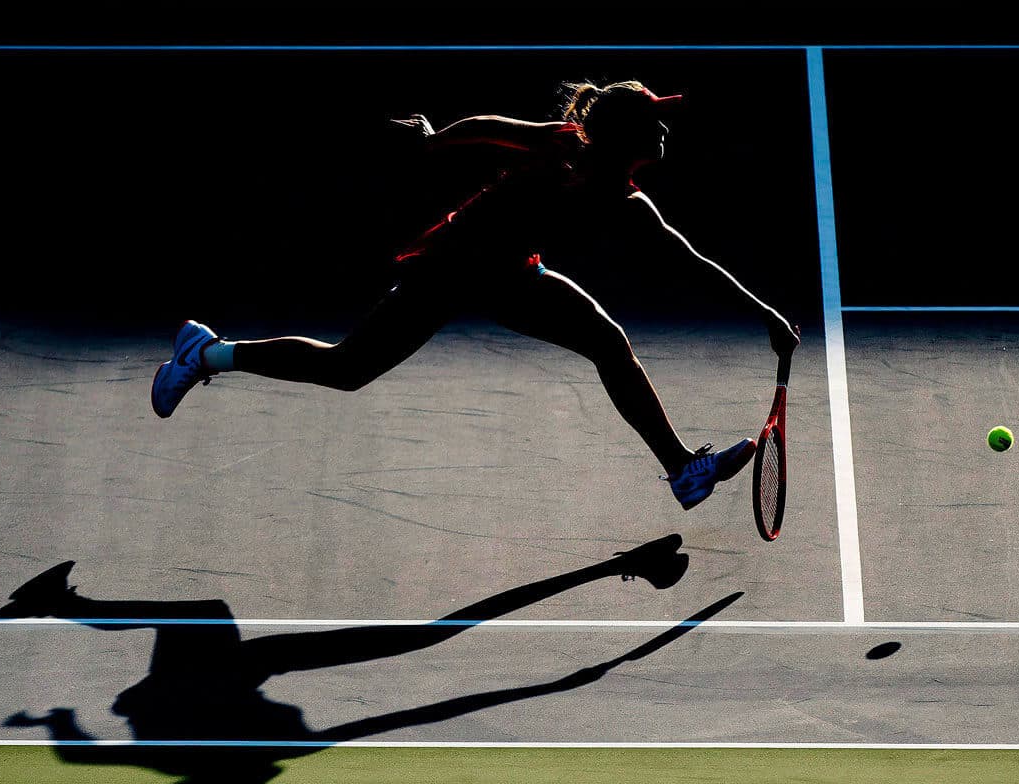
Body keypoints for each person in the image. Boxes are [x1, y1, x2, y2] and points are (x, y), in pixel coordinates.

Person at [151, 80, 800, 510]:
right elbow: (493, 125)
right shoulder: (565, 148)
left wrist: (763, 312)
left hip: (513, 273)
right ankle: (206, 354)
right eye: (653, 121)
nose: (664, 130)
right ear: (624, 135)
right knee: (347, 369)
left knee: (606, 340)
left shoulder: (621, 194)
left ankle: (684, 470)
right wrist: (438, 139)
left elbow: (686, 258)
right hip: (451, 270)